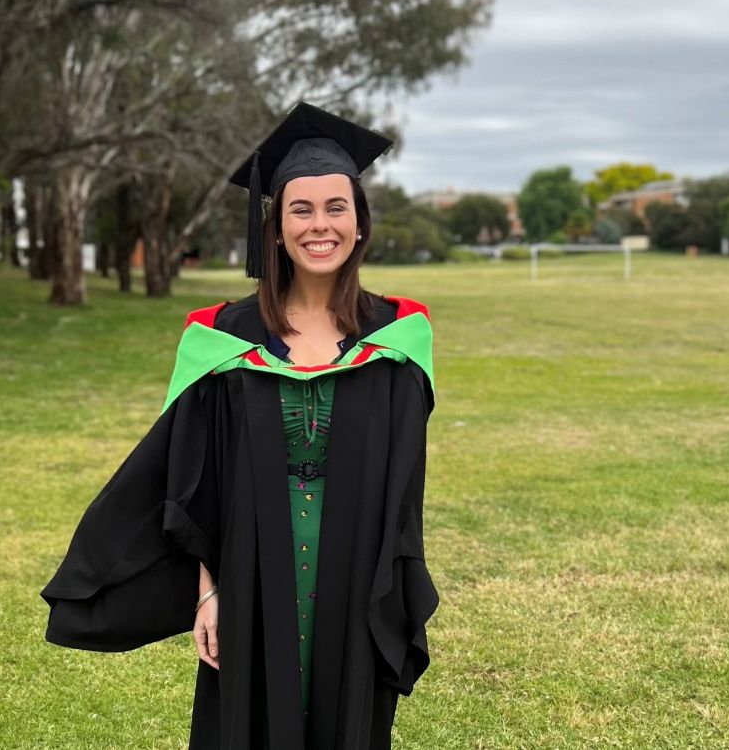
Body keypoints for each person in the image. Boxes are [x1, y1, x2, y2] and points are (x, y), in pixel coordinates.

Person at [40, 101, 439, 750]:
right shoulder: (221, 337)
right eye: (300, 210)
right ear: (275, 229)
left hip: (357, 575)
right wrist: (208, 592)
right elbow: (197, 479)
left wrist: (393, 590)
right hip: (252, 571)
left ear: (360, 224)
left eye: (336, 208)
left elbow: (403, 487)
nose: (320, 225)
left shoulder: (400, 334)